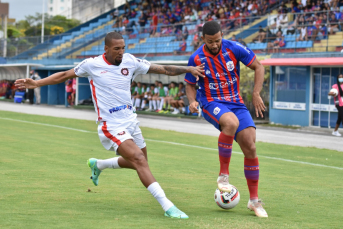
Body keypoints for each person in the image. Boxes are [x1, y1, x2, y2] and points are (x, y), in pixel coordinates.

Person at [15, 31, 205, 219]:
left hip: (131, 120)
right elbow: (64, 75)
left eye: (123, 48)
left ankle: (99, 164)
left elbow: (163, 69)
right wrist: (37, 83)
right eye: (116, 49)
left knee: (140, 162)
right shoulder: (92, 64)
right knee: (138, 159)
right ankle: (168, 206)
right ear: (106, 49)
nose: (121, 52)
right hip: (110, 124)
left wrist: (188, 70)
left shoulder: (130, 61)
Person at [184, 21, 268, 218]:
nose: (215, 45)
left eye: (218, 40)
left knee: (250, 146)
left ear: (223, 35)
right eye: (210, 41)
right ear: (203, 38)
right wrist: (192, 100)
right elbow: (189, 83)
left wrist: (256, 93)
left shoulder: (234, 48)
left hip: (236, 103)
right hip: (211, 102)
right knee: (230, 123)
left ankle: (254, 201)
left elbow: (259, 67)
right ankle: (223, 176)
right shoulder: (196, 58)